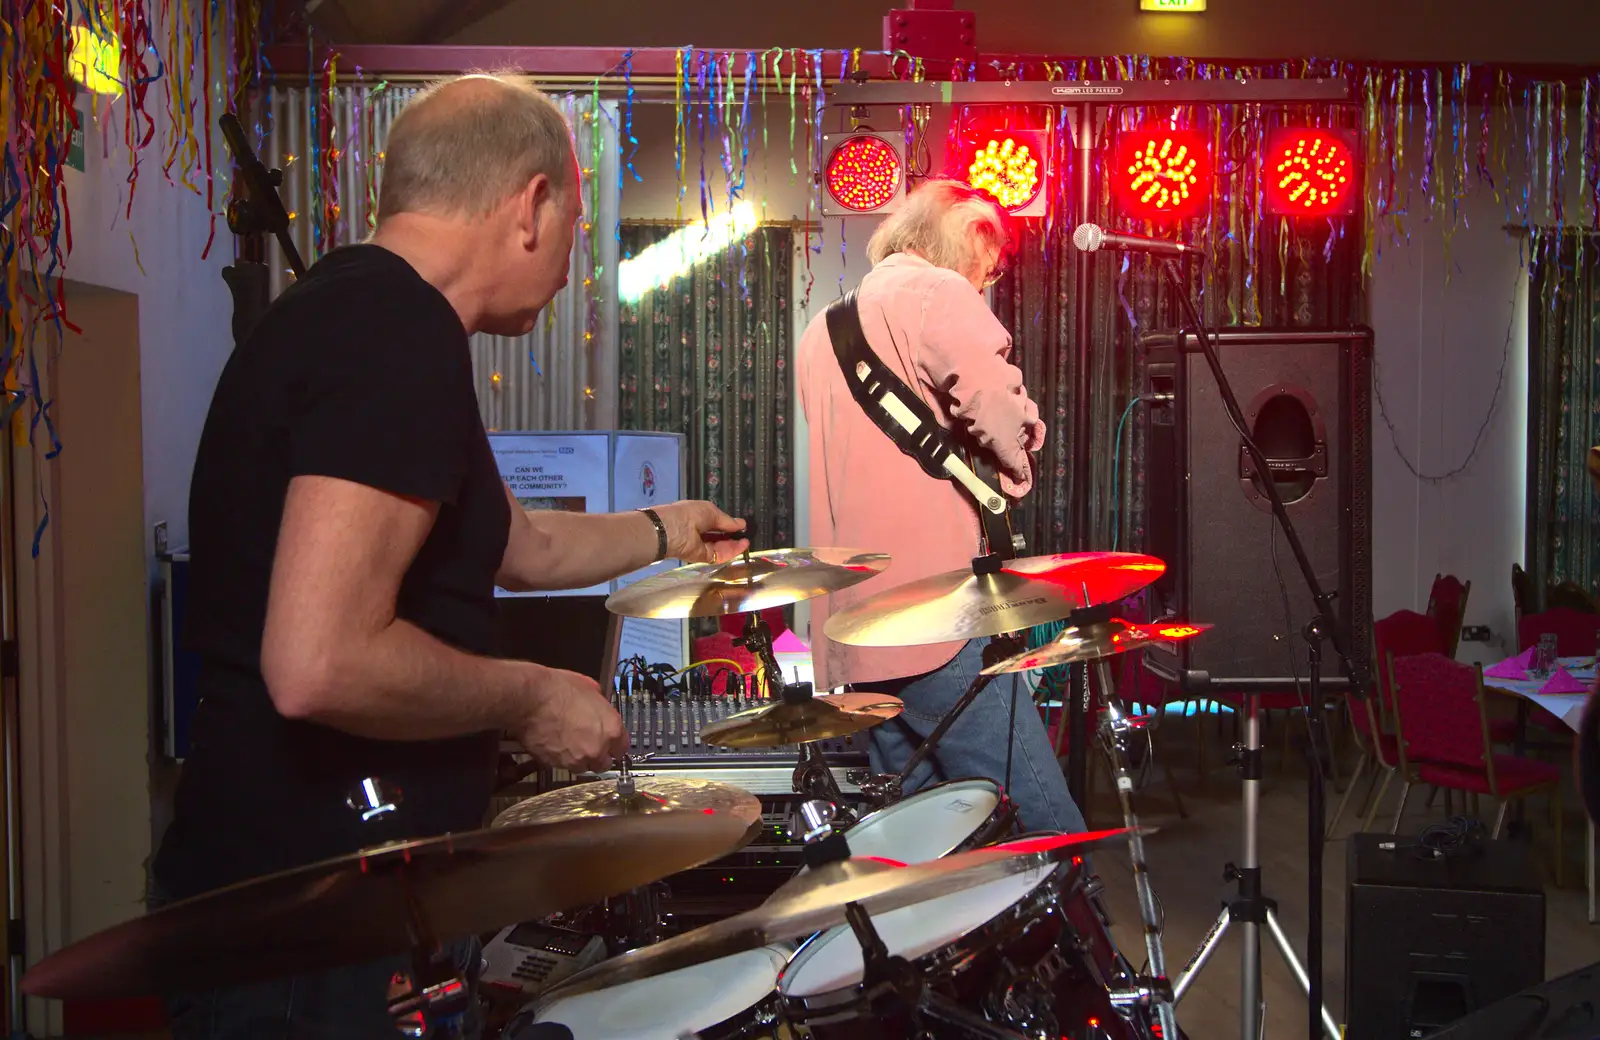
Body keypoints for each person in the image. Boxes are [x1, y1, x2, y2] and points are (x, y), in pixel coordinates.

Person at [149, 74, 748, 1038]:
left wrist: (670, 529)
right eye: (572, 226)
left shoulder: (360, 315)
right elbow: (317, 663)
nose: (569, 267)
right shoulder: (395, 332)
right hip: (317, 918)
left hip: (334, 894)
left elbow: (520, 543)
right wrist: (534, 697)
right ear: (533, 202)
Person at [797, 178, 1087, 837]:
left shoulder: (823, 328)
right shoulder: (936, 291)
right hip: (930, 622)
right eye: (989, 263)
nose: (985, 280)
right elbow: (993, 406)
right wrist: (1020, 455)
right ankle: (1090, 935)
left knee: (924, 842)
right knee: (1042, 820)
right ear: (967, 235)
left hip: (852, 631)